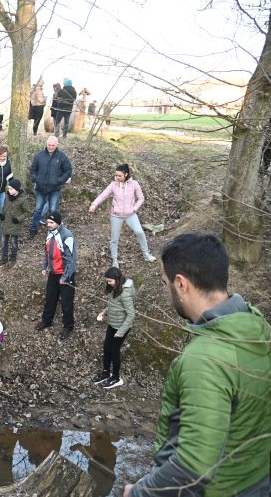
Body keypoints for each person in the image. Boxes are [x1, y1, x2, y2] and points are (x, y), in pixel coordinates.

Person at [124, 233, 271, 497]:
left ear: (181, 284)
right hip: (255, 482)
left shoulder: (204, 360)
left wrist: (138, 493)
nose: (164, 289)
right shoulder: (257, 328)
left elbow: (193, 468)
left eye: (164, 282)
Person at [89, 163, 157, 267]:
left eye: (119, 176)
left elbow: (141, 198)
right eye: (115, 175)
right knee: (114, 238)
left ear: (125, 174)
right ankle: (115, 261)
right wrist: (94, 204)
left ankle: (146, 255)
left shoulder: (134, 184)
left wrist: (134, 209)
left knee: (139, 232)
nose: (116, 177)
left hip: (130, 215)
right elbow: (103, 195)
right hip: (116, 216)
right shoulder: (113, 184)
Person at [35, 212, 77, 340]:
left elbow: (71, 259)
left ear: (58, 222)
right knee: (50, 298)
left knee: (66, 302)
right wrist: (44, 266)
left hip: (65, 275)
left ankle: (68, 326)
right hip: (53, 274)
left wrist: (66, 277)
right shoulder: (49, 234)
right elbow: (46, 252)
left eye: (51, 223)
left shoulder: (67, 235)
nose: (49, 225)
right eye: (47, 222)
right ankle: (47, 320)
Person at [92, 267, 135, 389]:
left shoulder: (125, 293)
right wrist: (104, 312)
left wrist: (121, 331)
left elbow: (131, 314)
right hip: (112, 324)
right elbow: (113, 305)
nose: (108, 283)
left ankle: (116, 378)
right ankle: (106, 372)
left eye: (109, 281)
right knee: (106, 348)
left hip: (121, 327)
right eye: (107, 280)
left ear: (117, 279)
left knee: (114, 351)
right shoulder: (115, 289)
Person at [28, 136, 73, 237]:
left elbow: (68, 170)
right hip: (40, 188)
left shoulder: (62, 156)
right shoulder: (39, 155)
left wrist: (59, 180)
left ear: (56, 145)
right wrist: (36, 179)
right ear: (46, 144)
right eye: (49, 145)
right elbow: (33, 169)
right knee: (38, 208)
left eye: (53, 145)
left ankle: (55, 231)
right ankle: (33, 228)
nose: (51, 147)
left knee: (53, 209)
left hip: (54, 188)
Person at [0, 178, 29, 267]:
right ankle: (4, 258)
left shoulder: (22, 200)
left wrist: (18, 219)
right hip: (6, 223)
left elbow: (27, 212)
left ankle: (13, 259)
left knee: (14, 242)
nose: (9, 190)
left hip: (15, 225)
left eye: (11, 189)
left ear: (17, 189)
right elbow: (4, 207)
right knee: (4, 242)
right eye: (8, 188)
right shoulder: (7, 197)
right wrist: (1, 214)